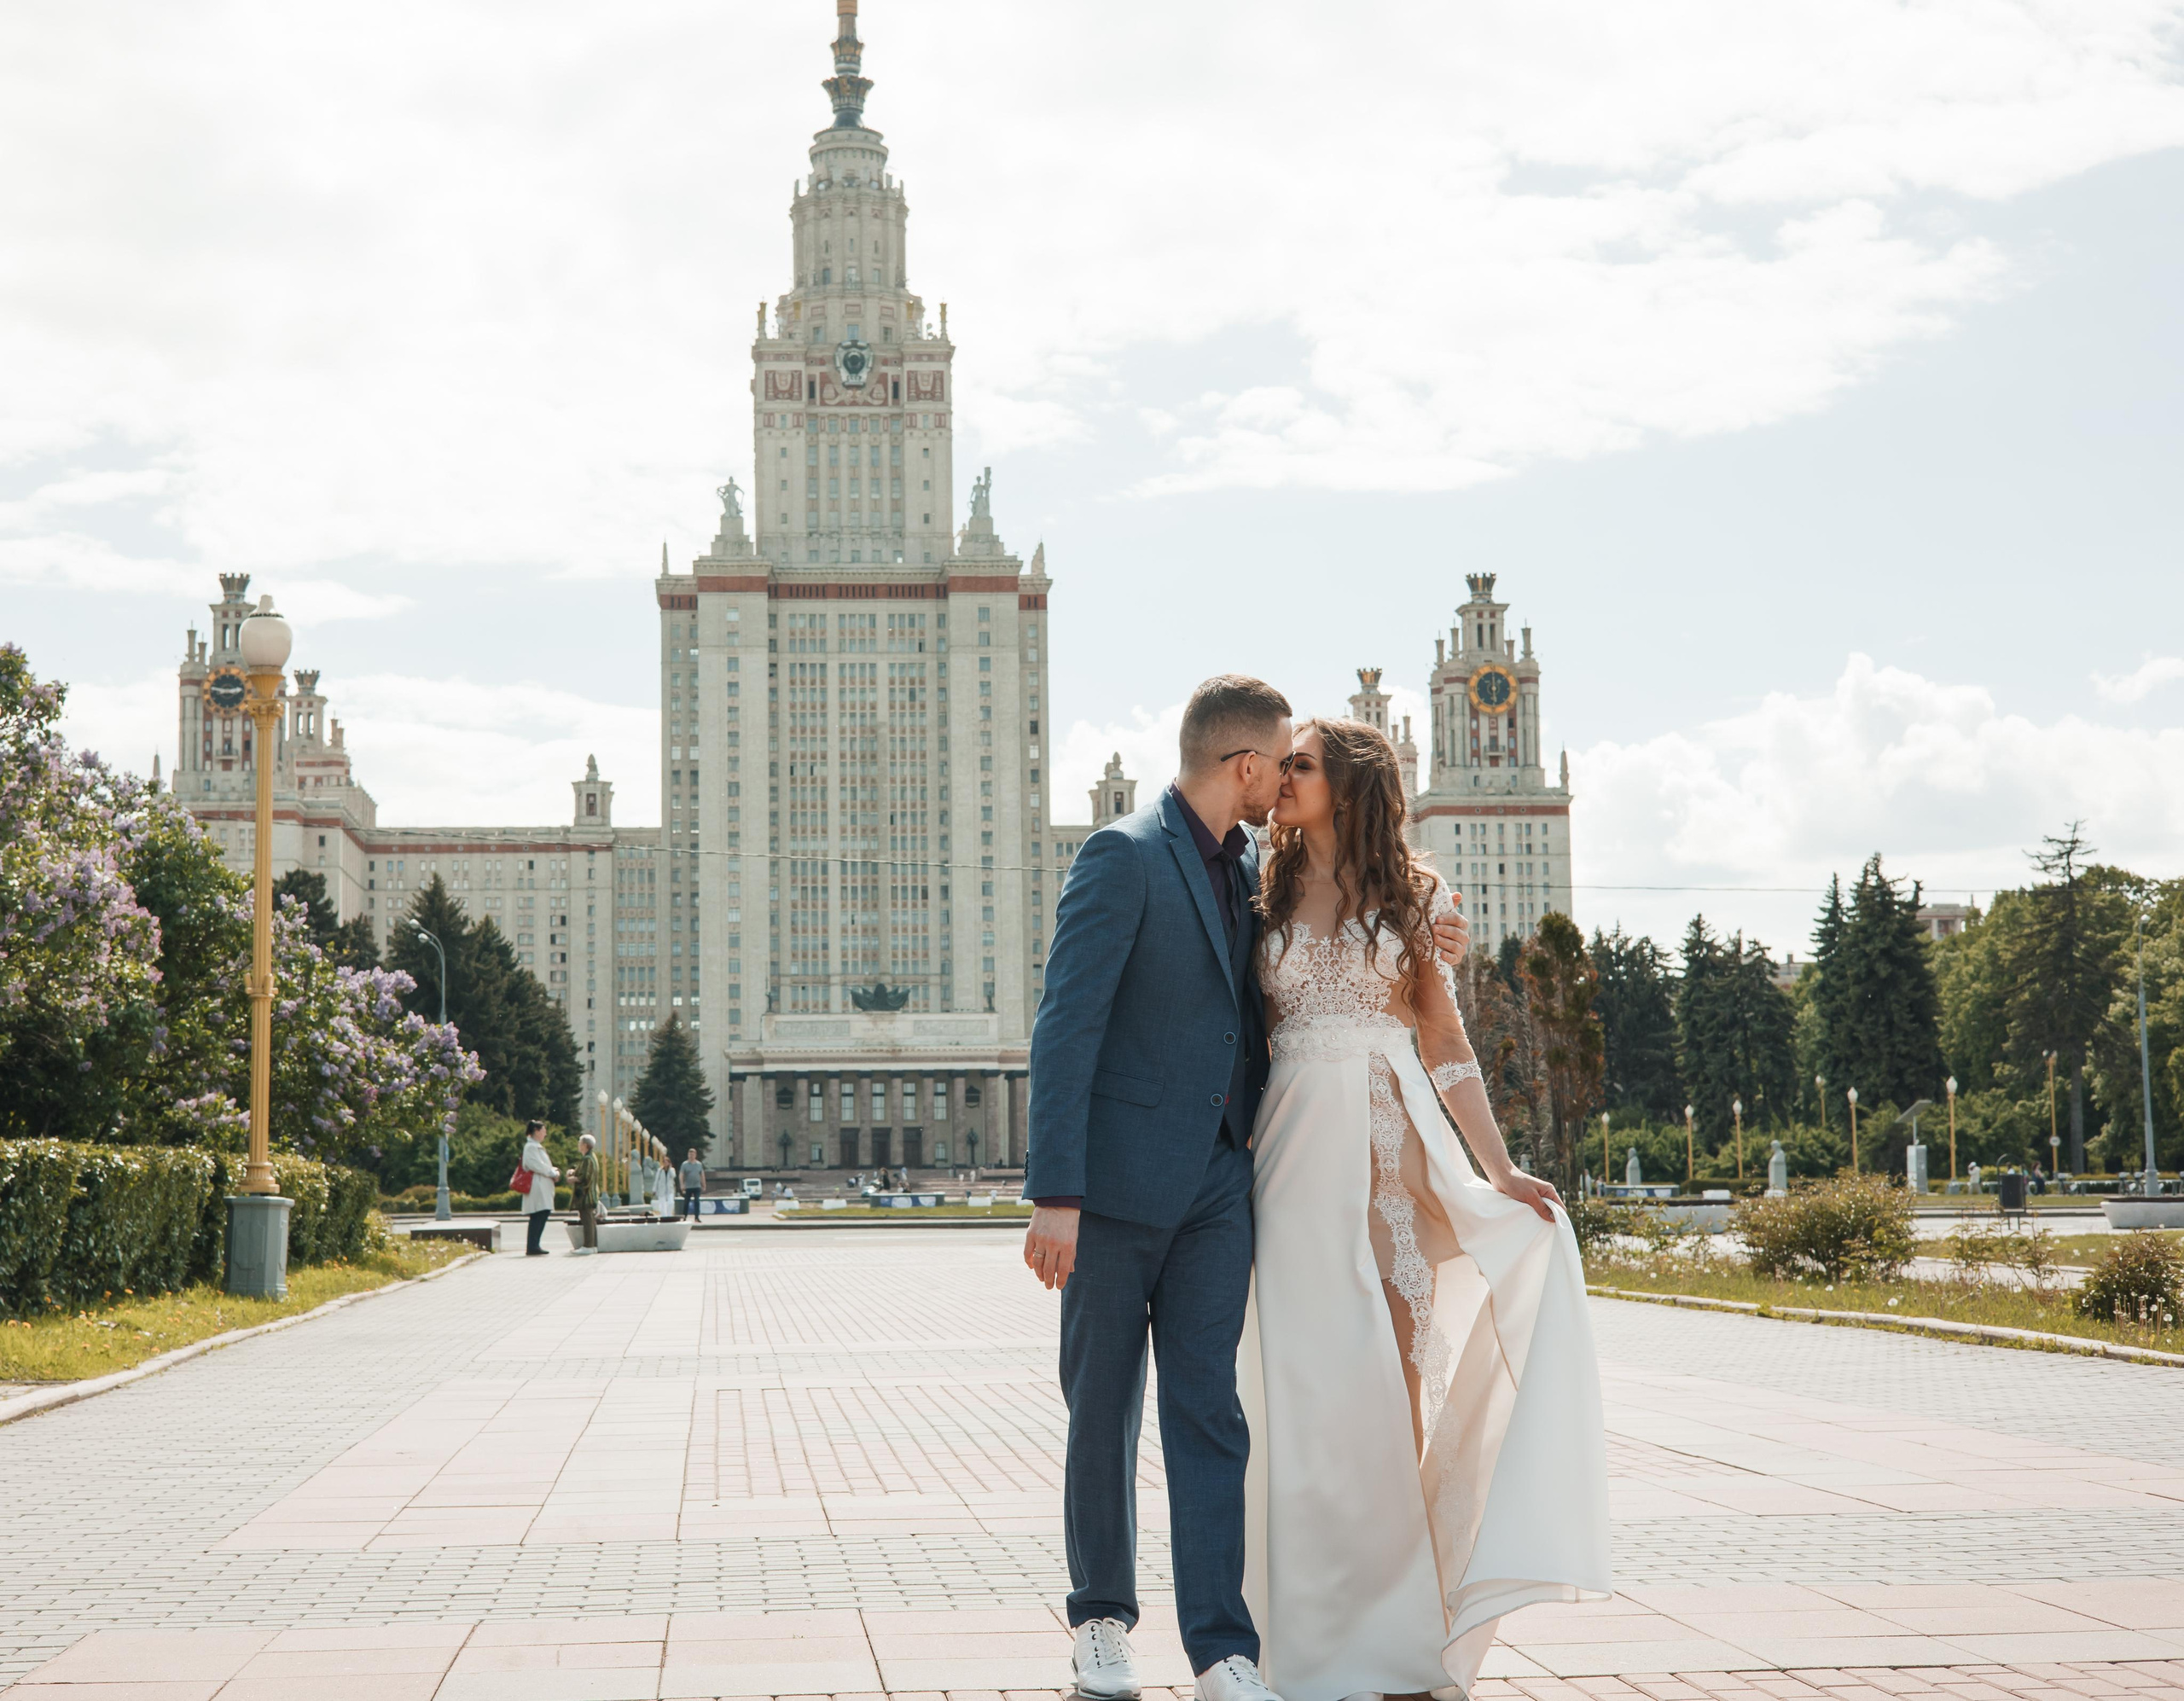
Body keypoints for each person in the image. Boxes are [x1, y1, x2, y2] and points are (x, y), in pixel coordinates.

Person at [1023, 677, 1472, 1701]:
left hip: (1224, 1190)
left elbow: (1351, 933)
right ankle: (1099, 1619)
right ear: (1244, 766)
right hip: (1112, 1193)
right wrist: (1057, 1191)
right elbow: (1065, 1027)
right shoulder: (1122, 855)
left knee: (1212, 1415)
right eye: (1281, 760)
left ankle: (1223, 1646)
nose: (1285, 780)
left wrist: (1436, 923)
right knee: (1102, 1409)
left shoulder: (1254, 871)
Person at [1241, 718, 1609, 1698]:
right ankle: (1290, 1631)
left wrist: (1497, 1170)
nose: (1281, 777)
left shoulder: (1418, 897)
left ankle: (1393, 1629)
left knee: (1385, 1383)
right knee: (1292, 1387)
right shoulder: (1257, 886)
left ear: (1349, 784)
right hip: (1282, 1157)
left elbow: (1444, 1042)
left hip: (1385, 1154)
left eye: (1301, 765)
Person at [519, 1121, 559, 1257]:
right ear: (536, 1130)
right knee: (539, 1214)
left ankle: (535, 1245)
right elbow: (536, 1165)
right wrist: (552, 1172)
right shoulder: (530, 1147)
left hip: (542, 1185)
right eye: (543, 1130)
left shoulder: (536, 1146)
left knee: (542, 1213)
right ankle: (532, 1246)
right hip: (537, 1186)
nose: (545, 1133)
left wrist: (552, 1171)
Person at [570, 1134, 602, 1255]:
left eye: (580, 1143)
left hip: (586, 1195)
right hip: (590, 1194)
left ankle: (588, 1245)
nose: (578, 1145)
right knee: (590, 1220)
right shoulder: (591, 1157)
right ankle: (592, 1246)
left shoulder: (587, 1159)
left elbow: (585, 1177)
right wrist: (574, 1172)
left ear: (585, 1145)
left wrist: (573, 1178)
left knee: (587, 1220)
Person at [680, 1149, 706, 1221]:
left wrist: (704, 1184)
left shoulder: (699, 1164)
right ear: (688, 1155)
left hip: (697, 1186)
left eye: (693, 1154)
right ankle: (684, 1216)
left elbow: (702, 1175)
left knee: (697, 1201)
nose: (691, 1156)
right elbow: (681, 1175)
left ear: (695, 1155)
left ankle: (697, 1217)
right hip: (688, 1186)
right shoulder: (684, 1164)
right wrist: (682, 1185)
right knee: (686, 1202)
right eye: (690, 1155)